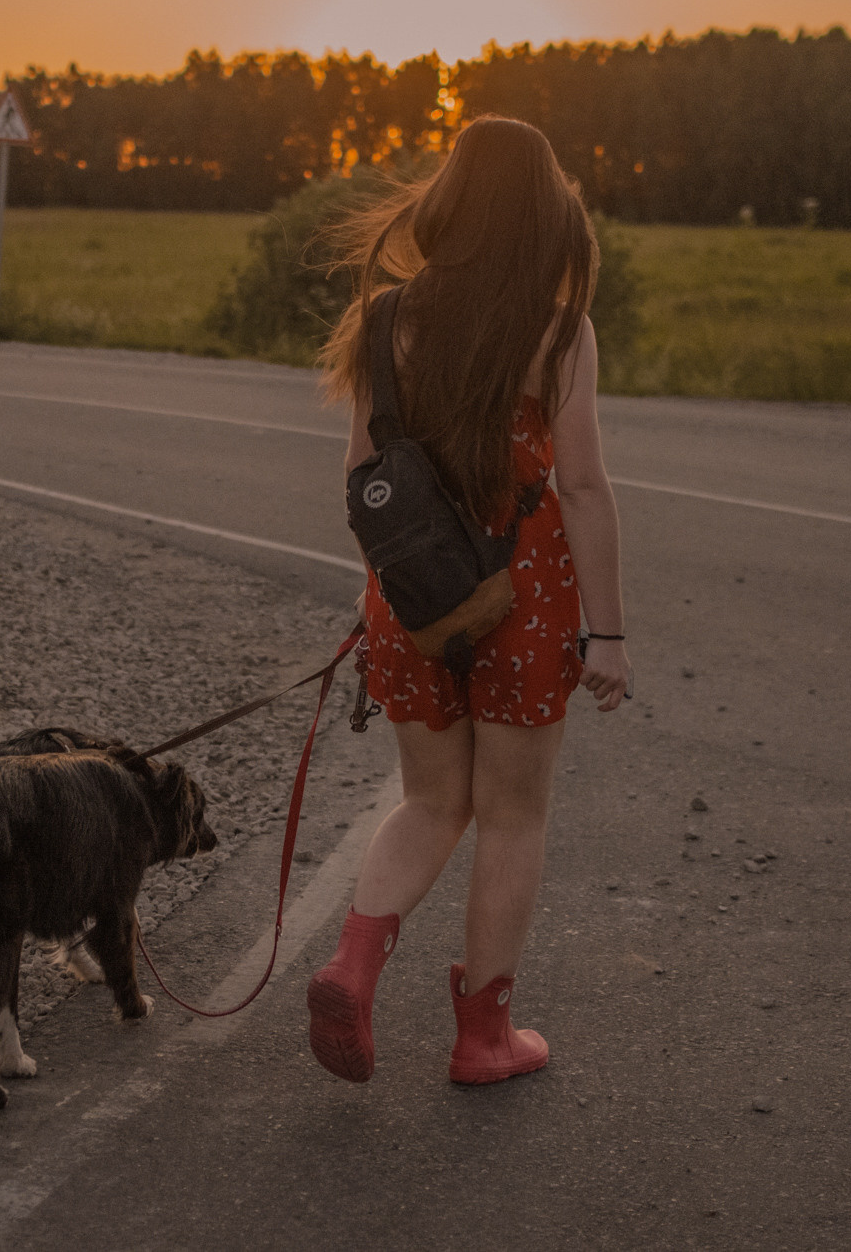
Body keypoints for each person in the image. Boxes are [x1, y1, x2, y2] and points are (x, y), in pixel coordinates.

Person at [307, 116, 633, 1086]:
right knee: (510, 814)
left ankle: (352, 965)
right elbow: (580, 486)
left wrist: (385, 604)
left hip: (414, 606)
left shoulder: (384, 321)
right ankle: (482, 1036)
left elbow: (363, 478)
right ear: (544, 213)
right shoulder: (556, 329)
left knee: (428, 798)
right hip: (526, 608)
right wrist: (606, 633)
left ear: (448, 200)